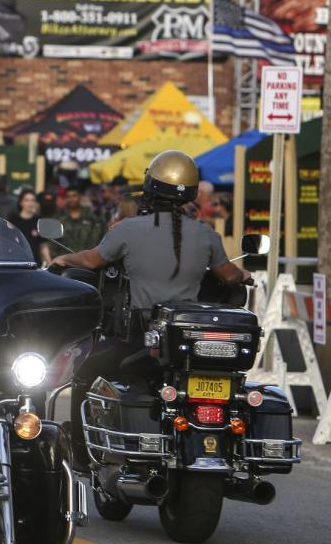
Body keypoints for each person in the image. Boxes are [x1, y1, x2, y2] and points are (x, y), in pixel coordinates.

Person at [50, 151, 251, 471]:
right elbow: (229, 275)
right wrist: (245, 275)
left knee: (85, 369)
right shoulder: (206, 234)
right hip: (188, 343)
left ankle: (80, 455)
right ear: (192, 192)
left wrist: (63, 260)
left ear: (150, 185)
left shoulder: (127, 230)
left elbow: (91, 260)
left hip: (142, 339)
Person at [56, 185, 104, 254]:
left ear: (80, 196)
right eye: (68, 196)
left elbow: (101, 237)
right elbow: (54, 242)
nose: (71, 199)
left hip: (89, 259)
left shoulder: (92, 217)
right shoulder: (59, 217)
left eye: (74, 196)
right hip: (66, 260)